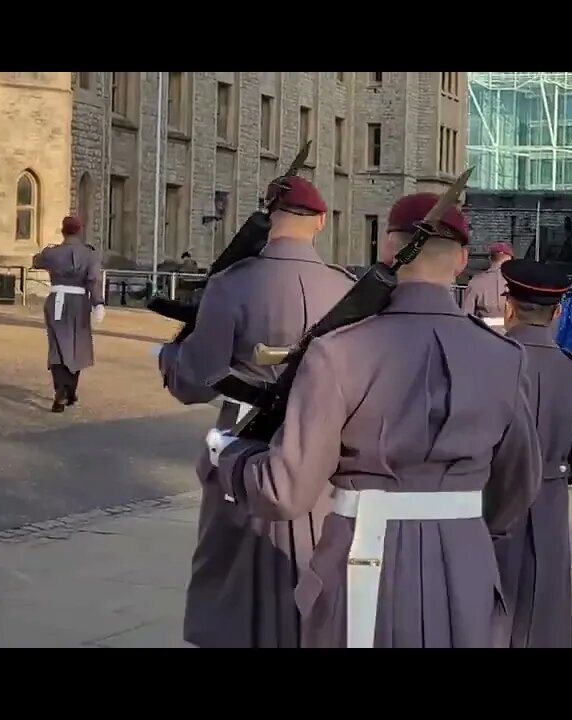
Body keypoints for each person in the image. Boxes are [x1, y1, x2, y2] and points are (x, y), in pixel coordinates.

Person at [210, 192, 543, 648]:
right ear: (463, 259)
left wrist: (230, 455)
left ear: (387, 250)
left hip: (363, 562)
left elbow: (285, 490)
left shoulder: (338, 351)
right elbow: (518, 485)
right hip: (465, 562)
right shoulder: (505, 359)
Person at [156, 177, 355, 648]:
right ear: (321, 222)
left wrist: (170, 356)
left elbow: (194, 380)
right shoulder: (345, 288)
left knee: (233, 576)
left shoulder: (233, 284)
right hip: (322, 452)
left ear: (268, 217)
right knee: (312, 567)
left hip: (242, 441)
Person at [494, 259, 572, 647]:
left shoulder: (488, 360)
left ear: (508, 306)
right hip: (550, 492)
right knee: (546, 606)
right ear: (558, 312)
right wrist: (560, 469)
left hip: (490, 494)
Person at [31, 216, 106, 413]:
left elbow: (36, 261)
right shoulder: (90, 255)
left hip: (57, 301)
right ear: (79, 231)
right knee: (77, 346)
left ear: (63, 231)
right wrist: (98, 303)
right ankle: (69, 389)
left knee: (57, 346)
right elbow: (93, 280)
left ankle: (61, 390)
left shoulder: (53, 252)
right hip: (80, 302)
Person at [462, 240, 513, 327]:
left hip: (484, 333)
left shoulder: (476, 281)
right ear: (510, 258)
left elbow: (466, 315)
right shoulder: (518, 282)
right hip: (512, 335)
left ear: (490, 258)